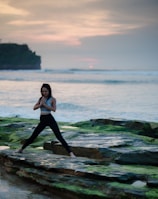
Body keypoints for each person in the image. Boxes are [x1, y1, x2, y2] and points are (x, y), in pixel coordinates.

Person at [18, 83, 75, 158]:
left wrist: (45, 105)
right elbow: (34, 108)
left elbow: (54, 109)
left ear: (49, 91)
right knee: (34, 135)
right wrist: (40, 105)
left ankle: (71, 153)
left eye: (46, 91)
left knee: (59, 136)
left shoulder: (53, 99)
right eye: (43, 91)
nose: (44, 93)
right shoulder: (41, 98)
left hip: (49, 118)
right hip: (43, 119)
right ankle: (21, 149)